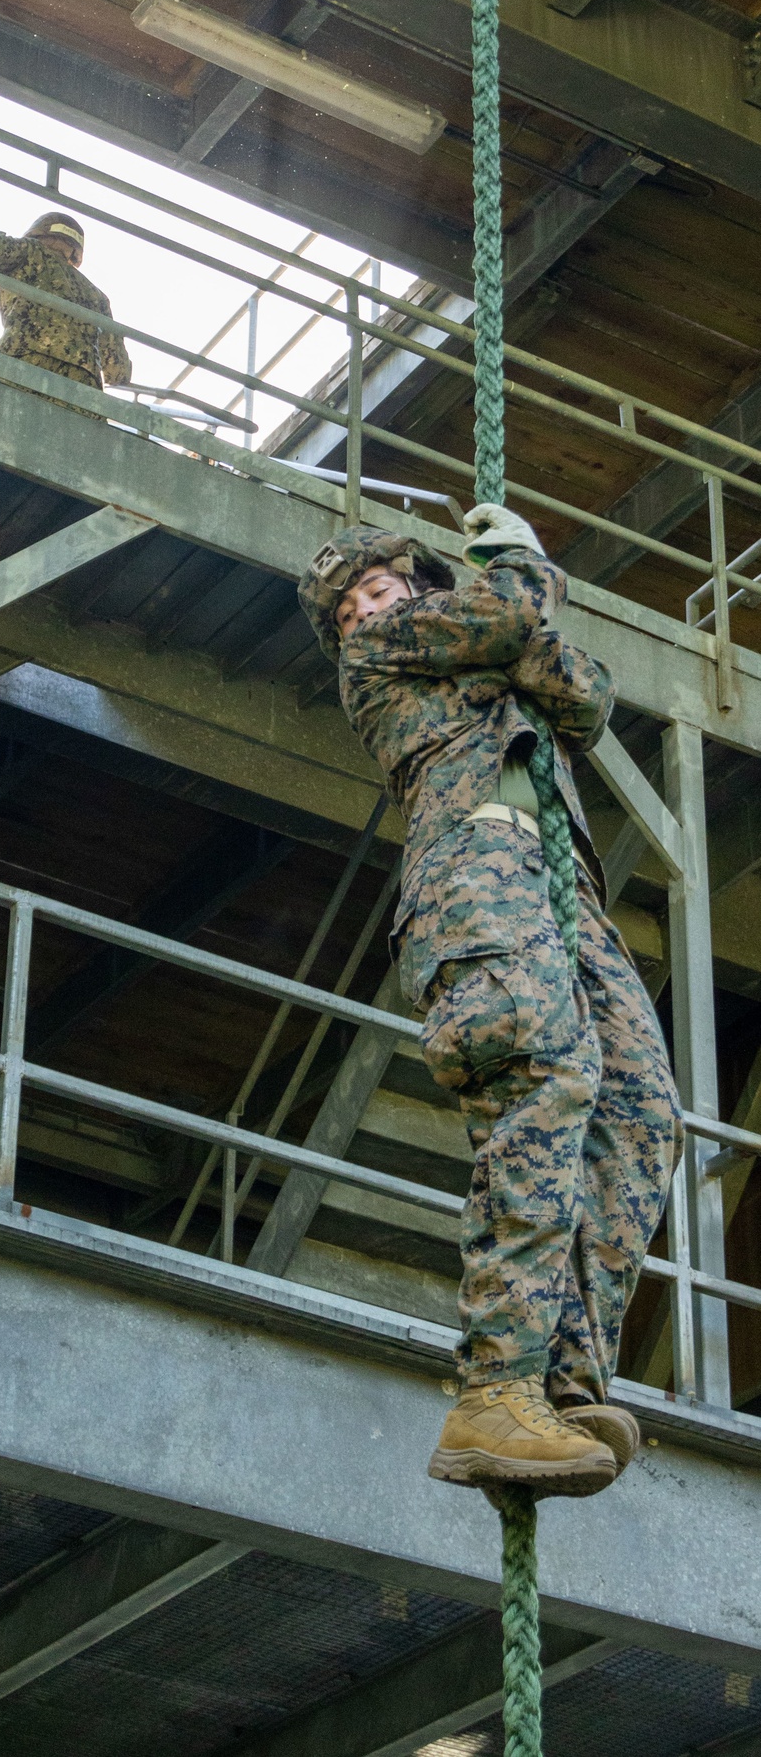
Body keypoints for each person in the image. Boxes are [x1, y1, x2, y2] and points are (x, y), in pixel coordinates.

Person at [297, 506, 683, 1498]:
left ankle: (562, 1373)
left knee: (640, 1111)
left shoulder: (464, 639)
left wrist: (512, 615)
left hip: (561, 896)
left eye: (377, 589)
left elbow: (586, 696)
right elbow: (519, 623)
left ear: (420, 584)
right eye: (346, 607)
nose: (362, 610)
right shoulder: (388, 654)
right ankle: (494, 1387)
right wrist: (518, 562)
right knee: (546, 1076)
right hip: (476, 875)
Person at [0, 211, 132, 390]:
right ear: (75, 251)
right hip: (82, 389)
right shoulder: (97, 296)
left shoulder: (30, 252)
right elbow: (118, 371)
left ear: (38, 233)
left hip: (22, 364)